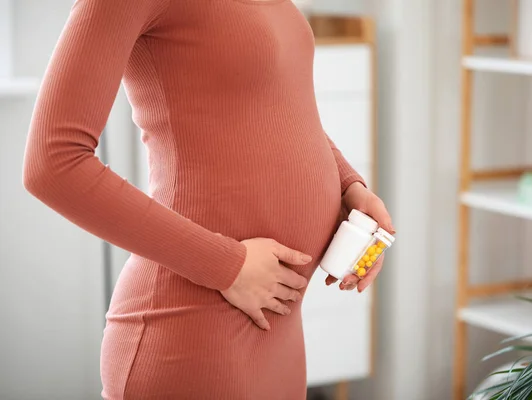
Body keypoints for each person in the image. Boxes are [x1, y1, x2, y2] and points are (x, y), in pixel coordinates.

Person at [22, 0, 394, 399]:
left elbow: (277, 105)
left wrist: (348, 185)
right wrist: (225, 266)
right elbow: (52, 164)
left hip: (279, 326)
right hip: (190, 327)